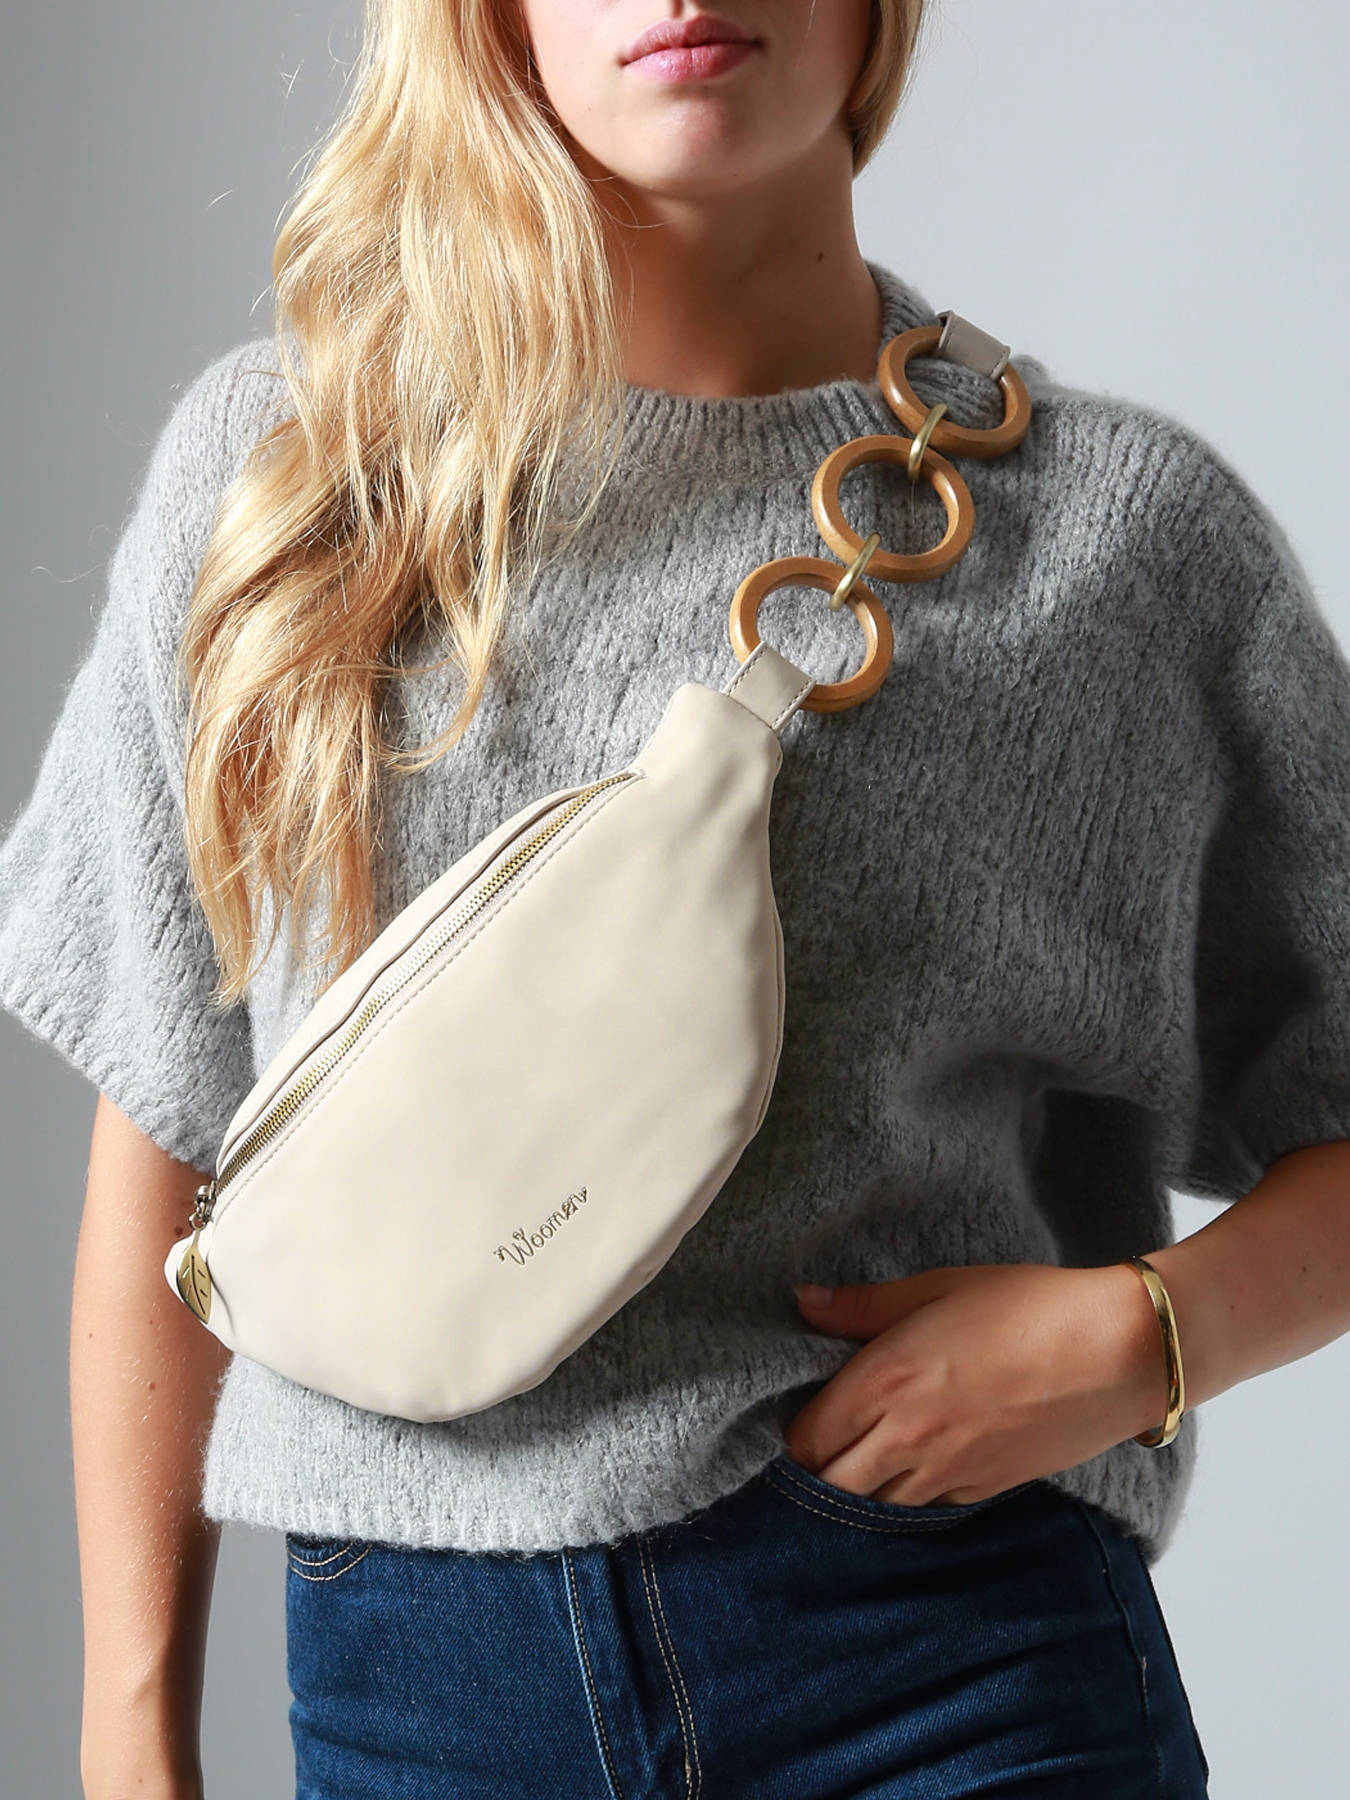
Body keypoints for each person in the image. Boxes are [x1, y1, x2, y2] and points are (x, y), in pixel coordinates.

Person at [4, 1, 1350, 1794]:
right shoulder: (289, 485)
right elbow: (167, 1141)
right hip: (419, 1699)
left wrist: (1149, 1335)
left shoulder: (1121, 543)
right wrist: (128, 1729)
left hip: (950, 1660)